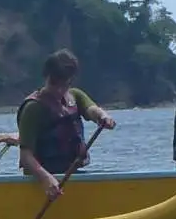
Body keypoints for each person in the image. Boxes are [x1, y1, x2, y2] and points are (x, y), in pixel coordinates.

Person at [15, 49, 116, 200]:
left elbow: (91, 109)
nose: (59, 90)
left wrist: (102, 116)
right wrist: (46, 179)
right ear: (46, 77)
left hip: (72, 174)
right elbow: (26, 156)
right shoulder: (33, 108)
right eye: (54, 84)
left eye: (65, 85)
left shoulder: (75, 96)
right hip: (43, 180)